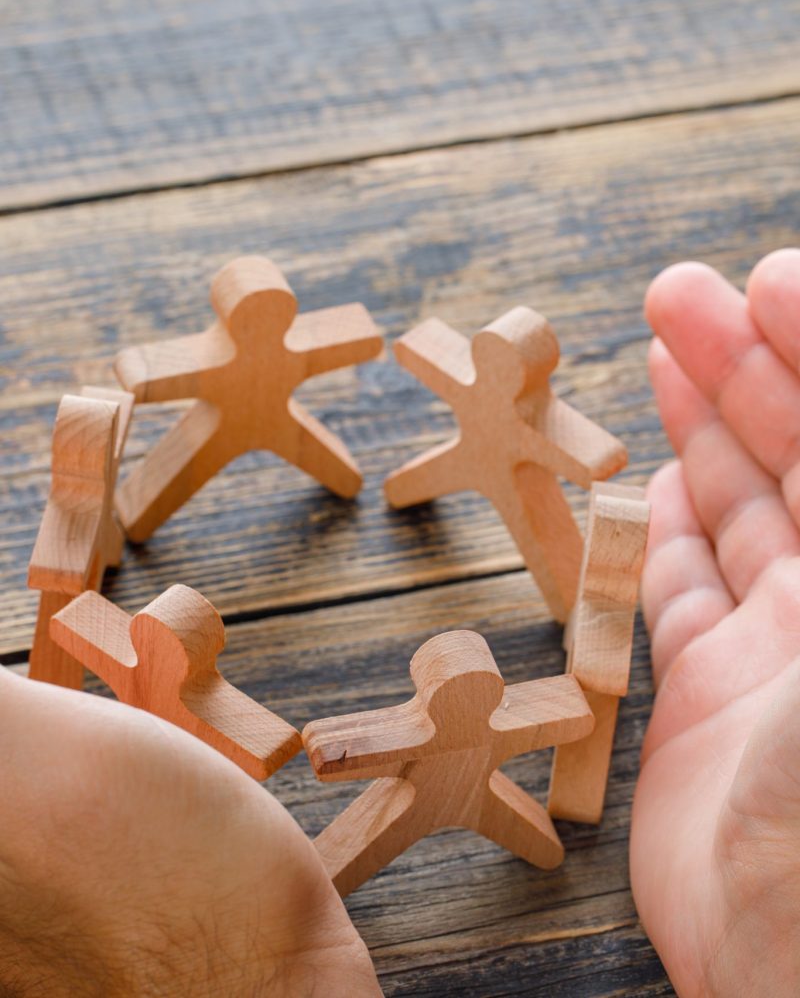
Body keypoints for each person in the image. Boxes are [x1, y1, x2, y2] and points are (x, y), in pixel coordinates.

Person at [1, 249, 798, 996]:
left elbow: (322, 747)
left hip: (495, 513)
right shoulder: (472, 720)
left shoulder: (416, 729)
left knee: (539, 554)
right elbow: (317, 740)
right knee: (535, 678)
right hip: (437, 525)